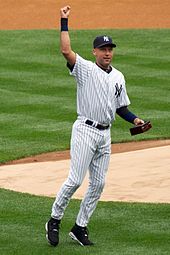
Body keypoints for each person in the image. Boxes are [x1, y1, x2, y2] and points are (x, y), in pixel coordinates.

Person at [45, 5, 144, 247]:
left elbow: (121, 107)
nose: (107, 53)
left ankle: (80, 227)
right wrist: (64, 20)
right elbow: (65, 50)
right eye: (103, 49)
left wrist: (135, 120)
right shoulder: (85, 70)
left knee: (98, 184)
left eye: (110, 49)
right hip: (85, 131)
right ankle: (54, 220)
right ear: (95, 51)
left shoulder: (119, 76)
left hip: (105, 135)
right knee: (75, 179)